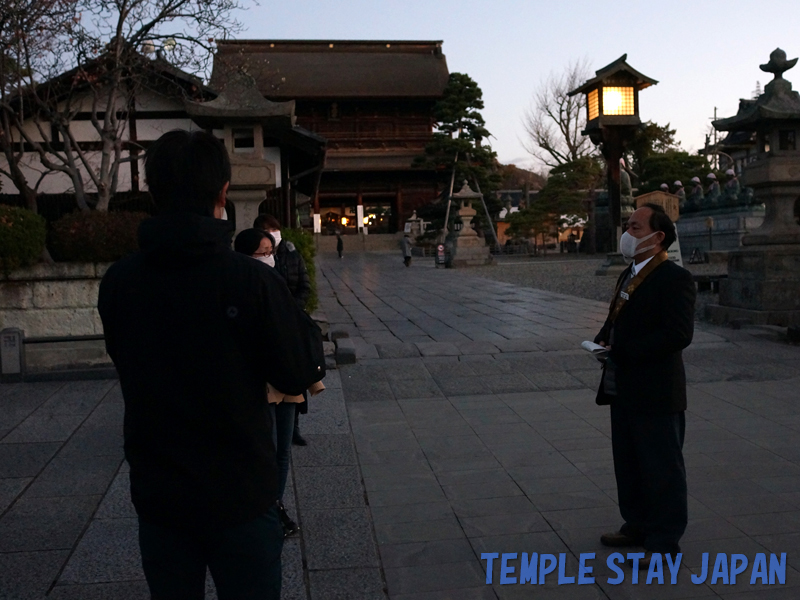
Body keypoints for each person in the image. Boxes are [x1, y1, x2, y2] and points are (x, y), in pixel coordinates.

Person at [98, 130, 324, 600]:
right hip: (239, 487)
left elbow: (122, 357)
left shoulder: (120, 282)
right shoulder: (250, 280)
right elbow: (297, 372)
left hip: (160, 487)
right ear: (223, 191)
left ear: (152, 190)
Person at [593, 203, 696, 570]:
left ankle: (664, 542)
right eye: (628, 226)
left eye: (635, 228)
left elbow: (678, 334)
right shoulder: (628, 275)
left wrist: (626, 350)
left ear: (658, 237)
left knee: (662, 466)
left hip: (656, 389)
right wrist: (603, 341)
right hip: (622, 384)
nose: (627, 233)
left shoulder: (674, 278)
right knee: (630, 462)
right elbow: (615, 319)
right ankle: (635, 524)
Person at [234, 227, 301, 538]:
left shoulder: (278, 282)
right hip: (259, 380)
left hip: (286, 376)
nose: (267, 258)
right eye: (260, 253)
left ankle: (277, 504)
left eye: (269, 252)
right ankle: (264, 507)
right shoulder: (235, 286)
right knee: (267, 444)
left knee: (283, 448)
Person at [253, 214, 312, 448]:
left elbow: (304, 285)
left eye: (275, 229)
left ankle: (293, 426)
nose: (273, 233)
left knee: (295, 373)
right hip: (267, 323)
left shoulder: (292, 254)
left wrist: (291, 309)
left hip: (292, 320)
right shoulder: (258, 258)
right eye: (268, 230)